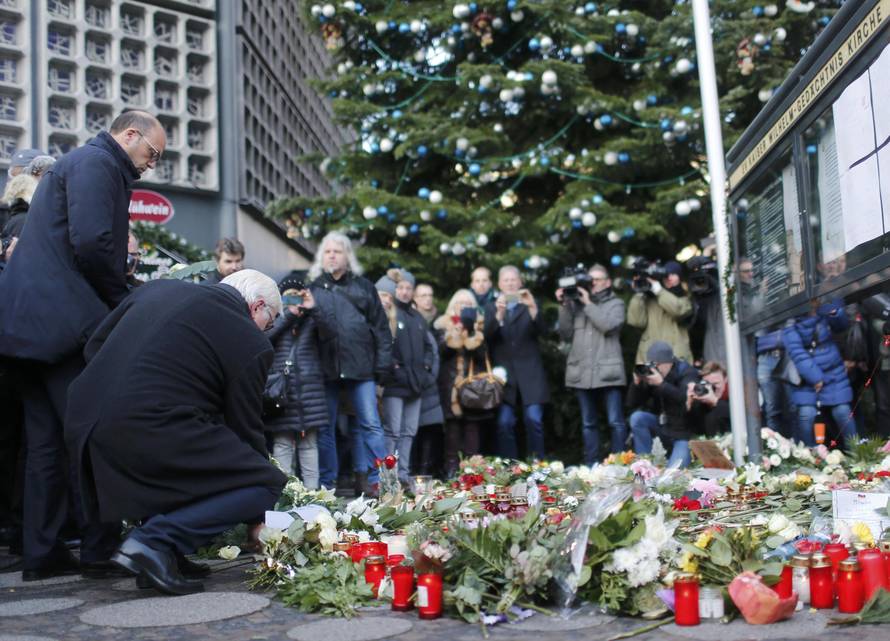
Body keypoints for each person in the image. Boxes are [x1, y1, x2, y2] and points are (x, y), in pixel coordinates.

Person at [0, 110, 166, 580]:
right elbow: (94, 243)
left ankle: (42, 553)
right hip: (63, 326)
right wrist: (122, 302)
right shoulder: (98, 163)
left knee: (44, 446)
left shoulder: (78, 163)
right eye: (152, 152)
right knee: (95, 435)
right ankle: (97, 550)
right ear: (129, 135)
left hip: (29, 328)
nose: (151, 164)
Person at [64, 270, 286, 595]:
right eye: (270, 322)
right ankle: (154, 542)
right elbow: (246, 427)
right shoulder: (246, 337)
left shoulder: (158, 289)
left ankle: (162, 558)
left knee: (194, 453)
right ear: (257, 306)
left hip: (85, 416)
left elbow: (96, 344)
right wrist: (257, 515)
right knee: (264, 481)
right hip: (148, 423)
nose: (267, 331)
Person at [309, 231, 392, 492]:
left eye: (337, 251)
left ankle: (381, 481)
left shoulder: (364, 287)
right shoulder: (312, 289)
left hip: (361, 367)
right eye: (327, 251)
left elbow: (382, 329)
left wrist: (381, 368)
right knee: (324, 428)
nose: (332, 255)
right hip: (326, 369)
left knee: (371, 425)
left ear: (347, 256)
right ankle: (327, 485)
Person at [263, 273, 328, 489]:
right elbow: (265, 338)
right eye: (288, 297)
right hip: (282, 392)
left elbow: (331, 336)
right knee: (282, 444)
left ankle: (313, 495)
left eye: (296, 297)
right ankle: (287, 493)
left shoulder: (312, 320)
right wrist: (288, 315)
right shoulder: (274, 320)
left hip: (310, 393)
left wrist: (313, 307)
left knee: (309, 445)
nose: (293, 302)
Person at [557, 264, 627, 464]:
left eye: (598, 279)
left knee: (615, 422)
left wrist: (587, 303)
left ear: (608, 282)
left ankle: (620, 463)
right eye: (591, 280)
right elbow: (565, 333)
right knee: (588, 423)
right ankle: (591, 464)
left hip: (608, 373)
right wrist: (564, 305)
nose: (593, 283)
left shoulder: (616, 304)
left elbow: (608, 325)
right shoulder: (575, 305)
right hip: (583, 373)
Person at [484, 265, 549, 460]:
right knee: (504, 423)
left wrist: (533, 308)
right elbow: (486, 337)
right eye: (506, 280)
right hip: (505, 376)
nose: (510, 283)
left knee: (534, 419)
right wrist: (499, 316)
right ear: (499, 285)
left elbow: (544, 332)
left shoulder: (529, 303)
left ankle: (538, 464)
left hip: (531, 373)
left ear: (520, 282)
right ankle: (510, 466)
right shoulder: (491, 306)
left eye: (514, 280)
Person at [378, 269, 435, 483]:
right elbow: (384, 346)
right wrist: (395, 369)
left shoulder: (417, 317)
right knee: (392, 431)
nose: (404, 291)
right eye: (400, 287)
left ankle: (403, 474)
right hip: (395, 384)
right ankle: (387, 475)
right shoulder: (390, 314)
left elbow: (429, 347)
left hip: (416, 384)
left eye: (408, 288)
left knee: (409, 431)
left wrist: (426, 368)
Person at [783, 299, 857, 447]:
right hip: (806, 378)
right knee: (806, 415)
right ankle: (809, 457)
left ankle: (858, 455)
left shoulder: (825, 310)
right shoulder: (790, 322)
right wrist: (815, 378)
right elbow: (797, 353)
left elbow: (842, 326)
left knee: (842, 412)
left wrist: (836, 313)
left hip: (833, 371)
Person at [434, 289, 492, 476]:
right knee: (452, 431)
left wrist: (472, 334)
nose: (463, 307)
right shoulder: (443, 325)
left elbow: (482, 356)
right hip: (450, 387)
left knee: (472, 430)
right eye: (459, 303)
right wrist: (456, 335)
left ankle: (471, 474)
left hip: (472, 388)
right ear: (452, 306)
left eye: (468, 304)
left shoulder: (480, 327)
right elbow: (441, 353)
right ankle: (451, 472)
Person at [627, 341, 698, 467]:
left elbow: (684, 400)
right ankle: (644, 464)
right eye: (652, 364)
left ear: (668, 362)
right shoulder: (654, 375)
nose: (655, 368)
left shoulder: (687, 372)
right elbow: (631, 403)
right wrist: (637, 384)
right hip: (662, 427)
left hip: (682, 433)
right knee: (637, 418)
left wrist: (662, 385)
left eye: (657, 365)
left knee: (672, 475)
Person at [627, 260, 693, 364]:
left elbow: (678, 310)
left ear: (680, 277)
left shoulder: (685, 298)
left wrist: (658, 290)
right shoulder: (649, 298)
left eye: (673, 274)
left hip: (676, 358)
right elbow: (636, 322)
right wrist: (639, 293)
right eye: (666, 275)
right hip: (650, 358)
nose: (669, 278)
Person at [686, 361, 731, 438]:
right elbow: (696, 430)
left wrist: (715, 401)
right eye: (708, 384)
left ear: (725, 379)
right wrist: (689, 404)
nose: (712, 388)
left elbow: (737, 418)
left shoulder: (735, 394)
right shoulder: (702, 397)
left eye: (716, 384)